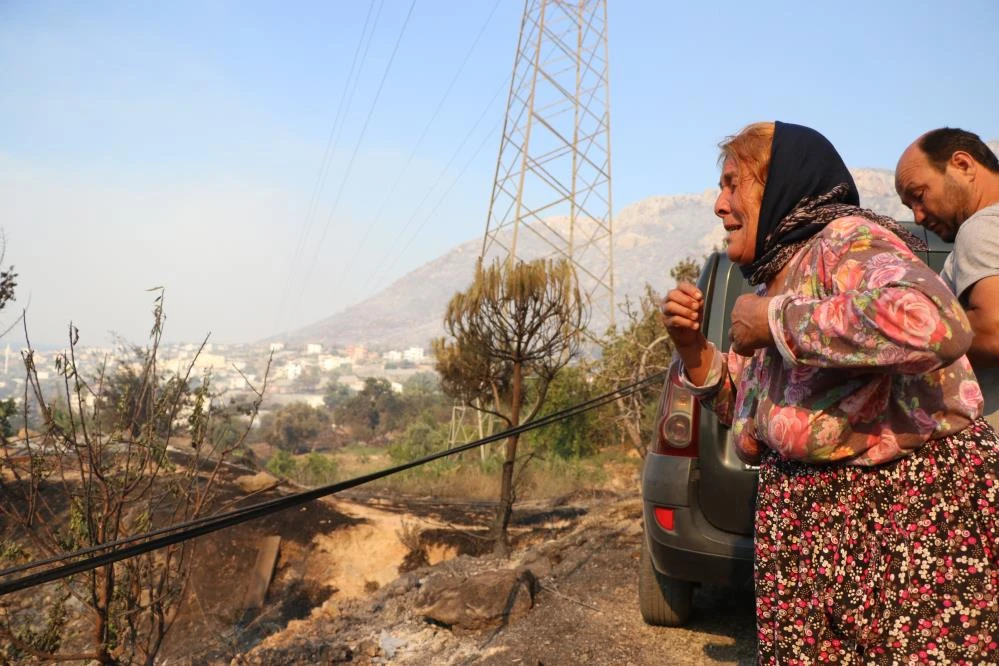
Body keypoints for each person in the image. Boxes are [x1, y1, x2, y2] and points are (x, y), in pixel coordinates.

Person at [663, 121, 999, 663]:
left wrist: (776, 322)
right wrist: (689, 345)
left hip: (893, 533)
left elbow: (936, 321)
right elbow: (746, 408)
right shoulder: (779, 276)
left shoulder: (845, 242)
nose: (719, 205)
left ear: (778, 186)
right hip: (814, 545)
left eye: (733, 184)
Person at [896, 128, 999, 429]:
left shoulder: (980, 227)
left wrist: (900, 342)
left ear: (963, 165)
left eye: (919, 195)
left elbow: (994, 332)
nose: (918, 216)